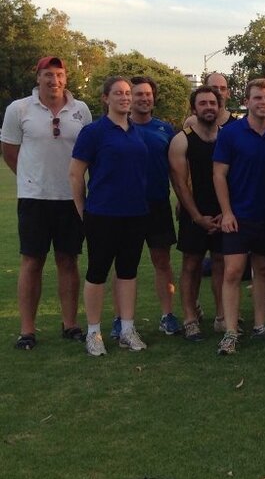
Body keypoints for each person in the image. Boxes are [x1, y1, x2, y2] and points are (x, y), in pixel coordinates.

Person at [1, 56, 92, 349]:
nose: (54, 80)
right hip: (35, 198)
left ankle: (70, 324)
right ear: (38, 77)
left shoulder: (81, 110)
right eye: (48, 75)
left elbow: (88, 152)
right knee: (32, 262)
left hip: (70, 197)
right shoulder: (20, 109)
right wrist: (30, 178)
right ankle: (27, 330)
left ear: (66, 78)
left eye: (59, 75)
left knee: (68, 260)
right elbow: (9, 151)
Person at [69, 76, 150, 356]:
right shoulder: (93, 132)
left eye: (128, 93)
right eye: (118, 93)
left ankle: (127, 329)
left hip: (136, 213)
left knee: (128, 272)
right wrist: (83, 211)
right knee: (97, 272)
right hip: (102, 213)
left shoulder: (136, 131)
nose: (125, 97)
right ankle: (93, 332)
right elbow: (76, 174)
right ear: (106, 98)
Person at [213, 78, 265, 355]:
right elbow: (218, 174)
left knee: (264, 270)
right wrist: (227, 212)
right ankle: (231, 332)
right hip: (238, 216)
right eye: (257, 98)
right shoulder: (231, 133)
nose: (263, 103)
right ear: (247, 101)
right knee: (232, 272)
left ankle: (260, 326)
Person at [168, 85, 226, 341]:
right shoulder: (182, 139)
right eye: (203, 103)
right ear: (194, 108)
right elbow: (179, 184)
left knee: (221, 264)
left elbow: (232, 178)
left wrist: (227, 212)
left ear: (219, 106)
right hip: (195, 214)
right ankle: (190, 318)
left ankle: (222, 317)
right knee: (191, 266)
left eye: (212, 103)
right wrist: (196, 217)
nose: (208, 107)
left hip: (223, 213)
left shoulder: (227, 137)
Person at [126, 75, 180, 336]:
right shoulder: (119, 128)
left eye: (148, 94)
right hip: (126, 207)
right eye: (139, 94)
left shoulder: (165, 129)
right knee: (126, 263)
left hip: (158, 204)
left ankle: (167, 314)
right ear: (129, 97)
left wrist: (182, 199)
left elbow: (176, 170)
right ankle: (122, 319)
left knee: (162, 260)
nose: (145, 98)